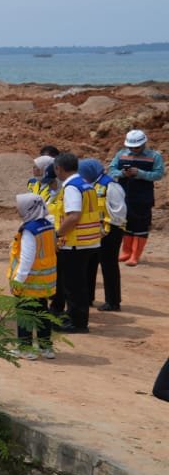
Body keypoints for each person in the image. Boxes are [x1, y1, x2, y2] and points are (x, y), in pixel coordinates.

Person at [49, 152, 101, 334]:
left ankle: (77, 322)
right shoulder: (86, 184)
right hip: (88, 241)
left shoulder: (72, 187)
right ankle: (75, 318)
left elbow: (73, 216)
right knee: (77, 283)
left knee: (73, 285)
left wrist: (57, 234)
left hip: (75, 243)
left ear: (59, 168)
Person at [8, 192, 58, 360]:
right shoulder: (48, 225)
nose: (17, 209)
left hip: (30, 281)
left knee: (25, 314)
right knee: (43, 313)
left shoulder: (30, 230)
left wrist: (18, 281)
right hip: (45, 281)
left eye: (19, 206)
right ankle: (46, 348)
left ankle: (25, 348)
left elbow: (27, 259)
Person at [110, 129, 164, 266]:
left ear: (144, 143)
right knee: (126, 224)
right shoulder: (121, 154)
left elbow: (158, 174)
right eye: (131, 147)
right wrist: (122, 173)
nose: (133, 149)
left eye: (137, 147)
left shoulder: (154, 156)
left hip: (143, 197)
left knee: (141, 225)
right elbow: (111, 170)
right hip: (124, 195)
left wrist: (140, 173)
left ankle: (135, 254)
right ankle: (126, 252)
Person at [81, 158, 127, 313]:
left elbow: (119, 210)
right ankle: (87, 297)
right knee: (89, 264)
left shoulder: (110, 185)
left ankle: (113, 301)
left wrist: (106, 224)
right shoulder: (91, 184)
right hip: (94, 231)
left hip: (110, 231)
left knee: (109, 265)